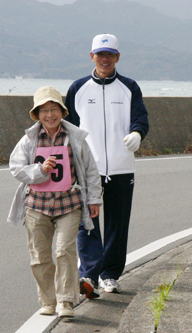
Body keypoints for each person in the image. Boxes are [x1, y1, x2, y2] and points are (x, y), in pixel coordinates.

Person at [64, 33, 150, 298]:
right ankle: (88, 274)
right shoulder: (78, 88)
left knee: (117, 223)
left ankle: (110, 275)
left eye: (110, 55)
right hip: (88, 169)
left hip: (122, 167)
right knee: (87, 221)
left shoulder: (129, 87)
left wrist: (137, 134)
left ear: (117, 57)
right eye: (100, 55)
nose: (105, 59)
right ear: (92, 56)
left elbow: (140, 119)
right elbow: (69, 128)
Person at [7, 86, 102, 318]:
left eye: (54, 109)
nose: (50, 115)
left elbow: (90, 170)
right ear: (37, 114)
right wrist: (39, 170)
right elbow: (15, 167)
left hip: (68, 203)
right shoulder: (29, 139)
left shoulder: (75, 137)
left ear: (62, 111)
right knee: (39, 255)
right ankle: (48, 301)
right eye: (44, 110)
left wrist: (94, 199)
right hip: (36, 205)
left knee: (64, 252)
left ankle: (66, 301)